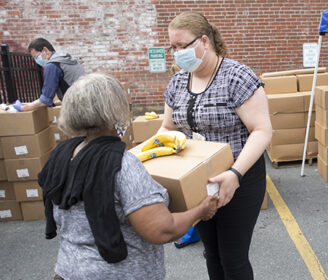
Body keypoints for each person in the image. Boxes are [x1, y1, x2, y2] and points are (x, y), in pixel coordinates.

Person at [38, 73, 219, 280]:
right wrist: (201, 211)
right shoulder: (122, 165)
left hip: (67, 270)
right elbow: (162, 230)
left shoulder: (62, 155)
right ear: (115, 110)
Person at [159, 11, 272, 279]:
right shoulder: (177, 82)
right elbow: (166, 128)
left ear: (205, 41)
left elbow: (262, 130)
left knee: (233, 259)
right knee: (212, 254)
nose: (176, 53)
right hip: (199, 181)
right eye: (172, 48)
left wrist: (235, 175)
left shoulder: (236, 76)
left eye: (182, 46)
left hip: (239, 178)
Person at [14, 38, 85, 112]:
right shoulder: (67, 59)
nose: (36, 61)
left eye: (36, 57)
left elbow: (45, 100)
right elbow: (72, 90)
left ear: (45, 50)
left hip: (79, 110)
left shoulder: (52, 65)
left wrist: (23, 108)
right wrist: (55, 103)